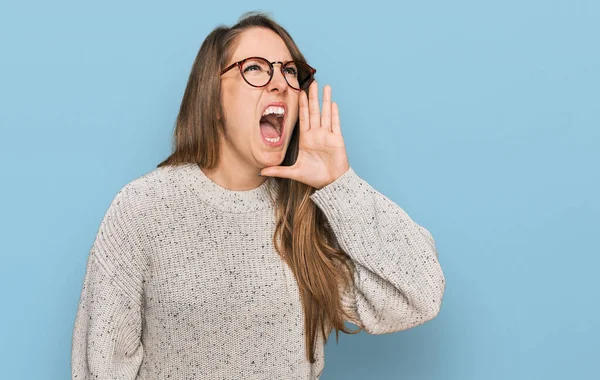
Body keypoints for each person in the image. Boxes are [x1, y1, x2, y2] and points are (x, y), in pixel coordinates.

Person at [71, 11, 446, 380]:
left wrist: (340, 184)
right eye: (255, 68)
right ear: (213, 99)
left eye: (289, 71)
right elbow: (101, 366)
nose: (280, 83)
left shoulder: (307, 213)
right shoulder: (143, 208)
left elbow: (420, 294)